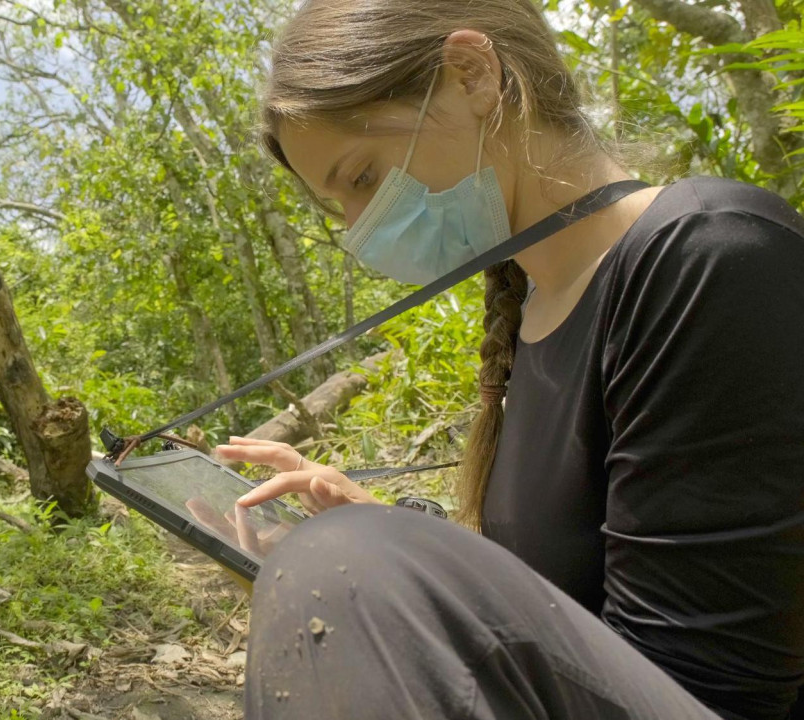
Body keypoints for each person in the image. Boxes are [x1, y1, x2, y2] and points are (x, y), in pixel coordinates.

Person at [212, 1, 804, 718]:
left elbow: (711, 688)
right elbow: (567, 611)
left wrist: (370, 564)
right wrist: (401, 534)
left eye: (363, 177)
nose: (364, 231)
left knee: (339, 567)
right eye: (341, 212)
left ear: (471, 75)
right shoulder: (535, 311)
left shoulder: (708, 256)